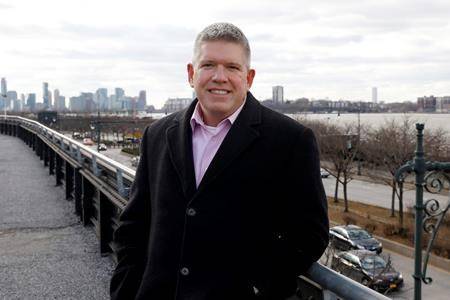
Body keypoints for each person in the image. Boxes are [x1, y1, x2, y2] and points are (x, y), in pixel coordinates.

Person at [110, 22, 329, 300]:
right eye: (209, 65)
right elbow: (133, 226)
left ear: (248, 78)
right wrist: (124, 291)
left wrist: (257, 284)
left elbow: (311, 235)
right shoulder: (157, 135)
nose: (219, 77)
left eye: (232, 67)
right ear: (192, 74)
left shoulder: (291, 141)